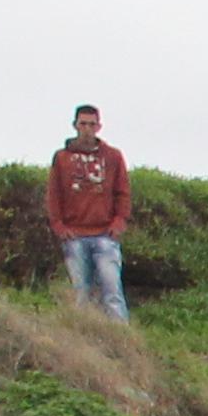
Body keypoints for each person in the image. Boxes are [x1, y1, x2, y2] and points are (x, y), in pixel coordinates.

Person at [47, 107, 133, 321]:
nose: (87, 129)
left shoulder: (113, 156)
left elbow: (122, 192)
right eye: (83, 124)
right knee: (80, 293)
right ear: (75, 125)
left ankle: (121, 335)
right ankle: (83, 334)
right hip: (74, 235)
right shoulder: (62, 158)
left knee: (112, 291)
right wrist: (58, 226)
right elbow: (54, 194)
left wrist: (119, 222)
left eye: (92, 124)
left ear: (99, 127)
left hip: (105, 235)